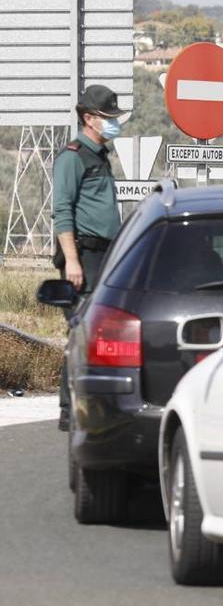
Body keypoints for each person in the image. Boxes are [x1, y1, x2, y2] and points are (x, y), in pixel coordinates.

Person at [52, 84, 125, 428]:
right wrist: (72, 261)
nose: (114, 124)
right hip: (84, 256)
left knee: (99, 332)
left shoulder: (99, 155)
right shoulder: (73, 156)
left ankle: (92, 405)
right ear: (88, 118)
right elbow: (62, 211)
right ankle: (69, 411)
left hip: (103, 256)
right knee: (81, 332)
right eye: (107, 118)